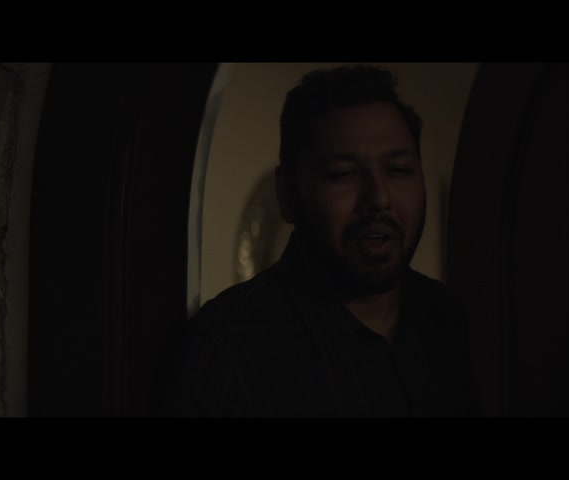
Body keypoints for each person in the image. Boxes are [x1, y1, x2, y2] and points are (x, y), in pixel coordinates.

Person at [165, 64, 480, 417]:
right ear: (288, 192)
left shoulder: (444, 319)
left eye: (398, 170)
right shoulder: (229, 346)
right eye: (344, 174)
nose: (379, 198)